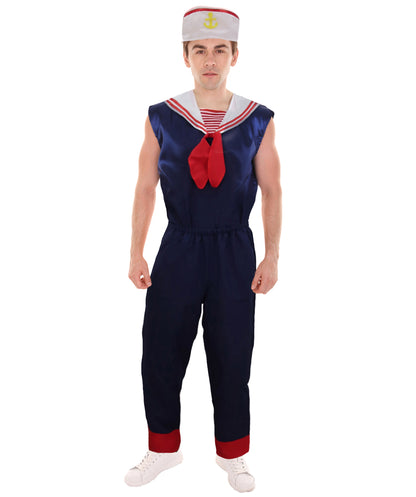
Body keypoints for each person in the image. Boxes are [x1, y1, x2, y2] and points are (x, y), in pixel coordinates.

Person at [125, 6, 282, 493]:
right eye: (199, 50)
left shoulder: (257, 120)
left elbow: (272, 190)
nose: (209, 60)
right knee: (161, 349)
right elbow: (145, 187)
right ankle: (162, 448)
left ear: (234, 56)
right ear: (186, 57)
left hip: (235, 248)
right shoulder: (162, 116)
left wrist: (272, 256)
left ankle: (233, 454)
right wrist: (136, 252)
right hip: (180, 245)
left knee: (232, 353)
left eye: (219, 50)